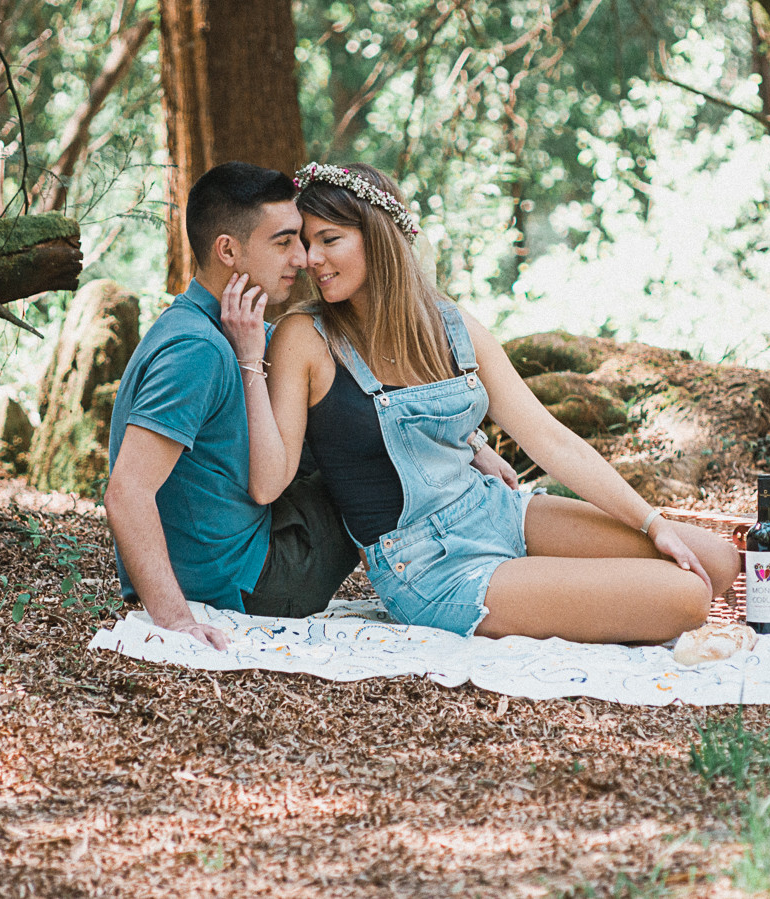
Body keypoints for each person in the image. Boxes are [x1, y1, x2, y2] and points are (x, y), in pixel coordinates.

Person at [227, 161, 740, 644]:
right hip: (428, 566)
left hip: (492, 508)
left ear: (377, 239)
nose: (310, 259)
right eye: (303, 242)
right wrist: (252, 358)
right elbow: (269, 483)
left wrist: (654, 523)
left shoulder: (448, 323)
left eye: (328, 240)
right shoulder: (304, 337)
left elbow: (552, 439)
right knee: (688, 596)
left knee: (716, 561)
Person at [105, 161, 514, 649]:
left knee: (330, 403)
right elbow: (126, 491)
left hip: (233, 556)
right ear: (228, 250)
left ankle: (476, 543)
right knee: (355, 449)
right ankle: (450, 575)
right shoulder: (197, 351)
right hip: (250, 583)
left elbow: (351, 375)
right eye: (283, 242)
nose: (301, 258)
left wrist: (472, 444)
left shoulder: (222, 327)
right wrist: (175, 620)